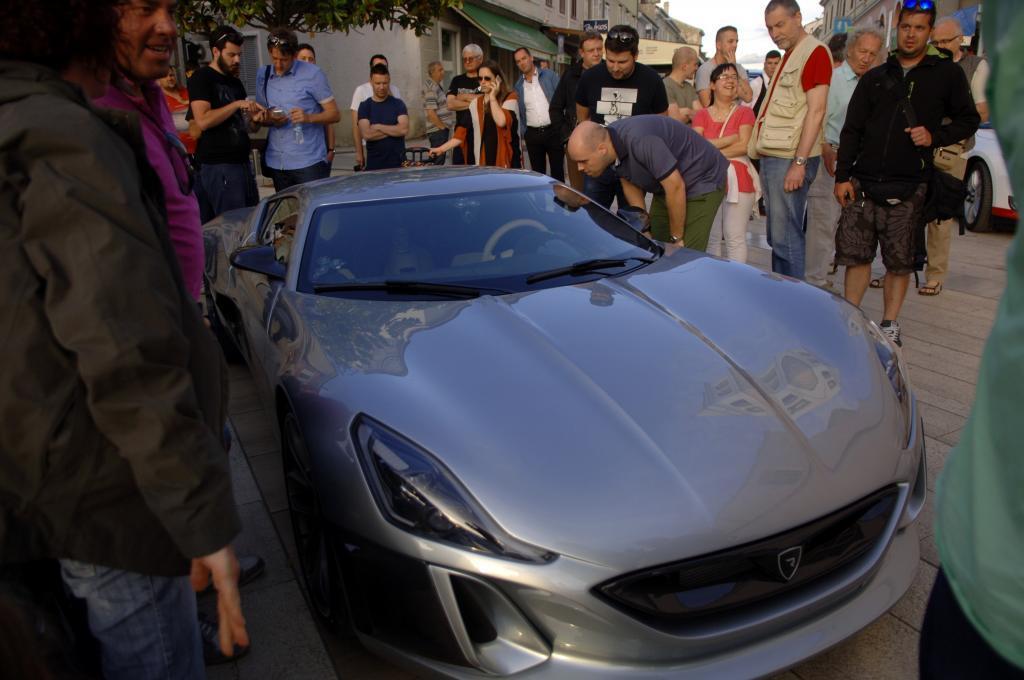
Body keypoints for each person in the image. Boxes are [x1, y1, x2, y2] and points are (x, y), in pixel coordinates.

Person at [0, 2, 248, 678]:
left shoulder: (86, 110)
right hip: (109, 489)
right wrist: (199, 517)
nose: (166, 26)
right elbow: (120, 344)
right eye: (140, 7)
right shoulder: (61, 131)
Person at [920, 4, 1024, 674]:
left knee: (938, 222)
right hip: (987, 562)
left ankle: (933, 274)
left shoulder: (968, 71)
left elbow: (972, 115)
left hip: (994, 581)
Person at [833, 1, 979, 347]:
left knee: (900, 261)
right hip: (864, 182)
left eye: (919, 28)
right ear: (897, 28)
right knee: (856, 256)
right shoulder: (876, 76)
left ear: (929, 32)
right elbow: (852, 130)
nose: (911, 34)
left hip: (911, 183)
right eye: (906, 27)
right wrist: (842, 176)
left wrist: (934, 136)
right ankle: (851, 321)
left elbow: (968, 119)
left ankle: (889, 324)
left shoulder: (946, 74)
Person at [749, 0, 831, 280]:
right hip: (777, 154)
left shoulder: (814, 52)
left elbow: (817, 111)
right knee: (778, 237)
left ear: (798, 17)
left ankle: (795, 297)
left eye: (780, 25)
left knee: (787, 237)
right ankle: (782, 291)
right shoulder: (791, 54)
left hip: (789, 157)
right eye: (770, 28)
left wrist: (799, 162)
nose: (775, 33)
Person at [568, 118, 728, 250]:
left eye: (583, 161)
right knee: (655, 247)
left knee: (685, 255)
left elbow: (676, 187)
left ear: (602, 149)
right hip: (667, 185)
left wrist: (677, 238)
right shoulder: (611, 142)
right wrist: (643, 227)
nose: (579, 168)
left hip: (702, 180)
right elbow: (629, 181)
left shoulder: (640, 140)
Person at [804, 28, 883, 289]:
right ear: (850, 50)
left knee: (852, 225)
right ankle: (814, 280)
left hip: (864, 162)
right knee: (824, 222)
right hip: (831, 157)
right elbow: (818, 116)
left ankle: (826, 273)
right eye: (862, 51)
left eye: (873, 53)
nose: (866, 58)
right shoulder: (833, 80)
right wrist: (825, 146)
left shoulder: (876, 83)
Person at [920, 15, 991, 296]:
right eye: (935, 42)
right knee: (908, 208)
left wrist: (949, 126)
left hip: (951, 150)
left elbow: (981, 111)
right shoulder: (925, 64)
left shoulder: (974, 66)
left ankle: (934, 274)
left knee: (940, 214)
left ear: (959, 40)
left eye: (945, 41)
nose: (939, 46)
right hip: (919, 145)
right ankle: (899, 266)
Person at [574, 25, 669, 209]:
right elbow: (583, 119)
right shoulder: (590, 78)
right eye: (610, 61)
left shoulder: (652, 80)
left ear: (636, 55)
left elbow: (661, 125)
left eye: (622, 62)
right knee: (592, 216)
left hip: (635, 166)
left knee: (631, 218)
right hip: (598, 164)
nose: (615, 68)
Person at [186, 25, 261, 223]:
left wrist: (255, 119)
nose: (237, 60)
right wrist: (236, 104)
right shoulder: (202, 78)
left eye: (239, 55)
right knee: (231, 226)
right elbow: (202, 121)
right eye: (231, 55)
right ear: (216, 51)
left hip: (242, 163)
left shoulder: (235, 82)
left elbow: (246, 126)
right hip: (219, 167)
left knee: (250, 222)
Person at [256, 28, 340, 191]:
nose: (278, 65)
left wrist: (308, 117)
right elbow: (261, 114)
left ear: (294, 55)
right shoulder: (263, 74)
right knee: (286, 208)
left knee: (310, 206)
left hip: (309, 161)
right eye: (274, 58)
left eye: (284, 60)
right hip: (277, 161)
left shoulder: (313, 74)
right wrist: (270, 118)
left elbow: (335, 114)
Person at [693, 63, 759, 262]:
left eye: (734, 77)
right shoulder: (701, 114)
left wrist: (711, 149)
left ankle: (737, 278)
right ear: (712, 85)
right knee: (711, 237)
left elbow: (744, 146)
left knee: (735, 237)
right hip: (708, 178)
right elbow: (697, 147)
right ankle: (715, 278)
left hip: (738, 178)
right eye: (724, 76)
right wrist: (731, 139)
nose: (730, 81)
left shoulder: (745, 113)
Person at [430, 60, 519, 167]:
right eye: (480, 78)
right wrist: (441, 149)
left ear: (498, 79)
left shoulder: (510, 97)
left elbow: (501, 121)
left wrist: (492, 97)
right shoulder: (476, 103)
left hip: (508, 160)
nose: (483, 82)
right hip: (484, 159)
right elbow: (461, 133)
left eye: (487, 78)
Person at [549, 31, 604, 190]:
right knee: (579, 193)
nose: (596, 54)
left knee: (600, 193)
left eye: (599, 49)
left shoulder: (610, 72)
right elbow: (555, 108)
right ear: (581, 52)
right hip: (576, 143)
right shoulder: (570, 75)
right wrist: (566, 137)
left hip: (603, 144)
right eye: (591, 50)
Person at [513, 46, 563, 180]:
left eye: (524, 58)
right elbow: (520, 113)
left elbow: (562, 98)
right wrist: (525, 132)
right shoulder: (518, 86)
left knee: (558, 174)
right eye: (518, 61)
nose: (522, 63)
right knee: (538, 176)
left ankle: (559, 195)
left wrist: (561, 126)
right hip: (532, 135)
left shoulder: (549, 75)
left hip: (553, 131)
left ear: (531, 58)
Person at [350, 54, 401, 170]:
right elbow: (356, 125)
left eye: (384, 66)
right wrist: (359, 152)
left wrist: (388, 90)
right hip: (371, 147)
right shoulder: (361, 90)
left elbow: (401, 123)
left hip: (394, 147)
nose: (381, 68)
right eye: (377, 66)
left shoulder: (395, 90)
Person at [357, 64, 408, 170]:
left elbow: (403, 129)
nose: (381, 87)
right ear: (371, 82)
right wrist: (394, 129)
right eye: (378, 83)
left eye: (385, 83)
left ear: (389, 81)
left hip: (398, 165)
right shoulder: (365, 106)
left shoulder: (398, 104)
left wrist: (378, 127)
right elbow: (367, 134)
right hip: (375, 166)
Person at [297, 44, 337, 168]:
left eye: (311, 59)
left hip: (316, 150)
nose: (307, 62)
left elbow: (330, 119)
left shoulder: (318, 83)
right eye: (303, 58)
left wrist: (331, 149)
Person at [696, 26, 754, 107]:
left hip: (736, 114)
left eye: (736, 41)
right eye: (730, 41)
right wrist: (735, 93)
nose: (735, 45)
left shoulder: (739, 68)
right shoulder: (705, 69)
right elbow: (707, 104)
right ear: (718, 45)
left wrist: (734, 68)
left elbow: (748, 97)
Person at [446, 44, 484, 165]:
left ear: (480, 59)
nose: (467, 62)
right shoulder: (457, 80)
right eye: (465, 59)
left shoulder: (485, 79)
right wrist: (477, 102)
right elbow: (450, 104)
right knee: (459, 169)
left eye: (470, 58)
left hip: (482, 134)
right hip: (461, 134)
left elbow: (487, 101)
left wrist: (464, 96)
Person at [158, 67, 197, 154]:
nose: (169, 78)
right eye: (165, 76)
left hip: (199, 147)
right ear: (158, 80)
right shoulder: (158, 99)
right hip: (177, 151)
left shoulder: (187, 91)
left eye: (171, 75)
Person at [423, 60, 454, 165]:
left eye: (442, 69)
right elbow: (430, 112)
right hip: (437, 131)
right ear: (432, 72)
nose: (443, 72)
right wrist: (442, 127)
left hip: (439, 130)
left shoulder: (435, 85)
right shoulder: (431, 87)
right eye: (440, 70)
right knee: (438, 161)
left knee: (439, 160)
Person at [664, 46, 702, 125]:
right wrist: (692, 114)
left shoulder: (689, 87)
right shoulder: (666, 86)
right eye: (695, 64)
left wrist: (687, 112)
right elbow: (675, 121)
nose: (696, 68)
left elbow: (702, 117)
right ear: (684, 66)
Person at [750, 49, 781, 115]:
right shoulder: (755, 84)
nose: (773, 67)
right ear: (764, 64)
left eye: (776, 63)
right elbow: (747, 109)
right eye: (769, 63)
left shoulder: (783, 83)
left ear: (780, 65)